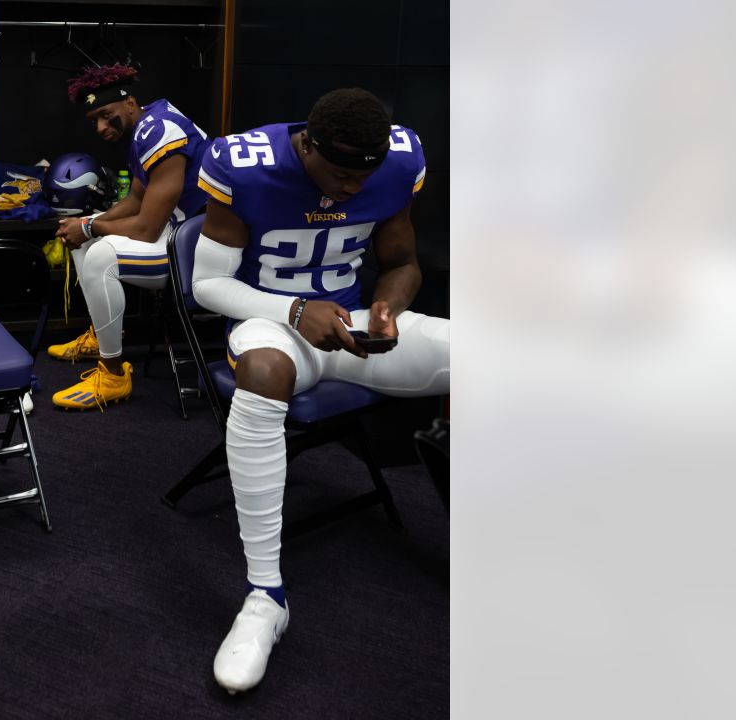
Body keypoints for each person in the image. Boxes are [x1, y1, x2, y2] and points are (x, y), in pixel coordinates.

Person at [191, 88, 451, 693]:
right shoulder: (244, 164)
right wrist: (293, 309)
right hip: (272, 323)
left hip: (353, 323)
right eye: (339, 174)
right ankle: (265, 597)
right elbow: (207, 285)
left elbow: (403, 261)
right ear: (307, 145)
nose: (352, 189)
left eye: (365, 176)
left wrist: (388, 306)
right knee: (262, 374)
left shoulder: (399, 161)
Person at [46, 64, 211, 410]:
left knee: (99, 256)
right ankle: (103, 333)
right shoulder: (144, 126)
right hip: (176, 231)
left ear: (130, 103)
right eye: (95, 120)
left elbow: (147, 227)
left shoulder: (158, 131)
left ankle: (113, 374)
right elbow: (136, 200)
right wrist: (87, 225)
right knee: (85, 233)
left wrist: (90, 228)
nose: (101, 127)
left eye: (107, 115)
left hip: (199, 248)